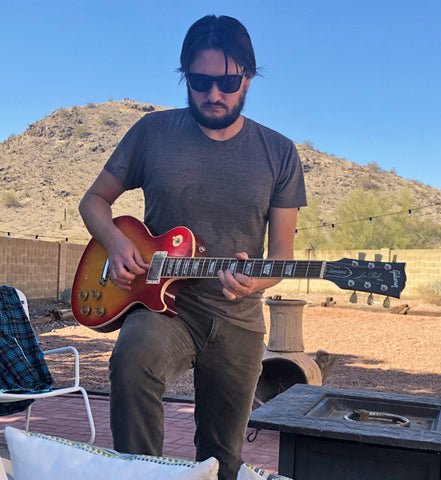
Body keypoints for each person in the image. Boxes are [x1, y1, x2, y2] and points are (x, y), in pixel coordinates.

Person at [79, 14, 307, 480]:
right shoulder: (152, 133)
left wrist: (253, 281)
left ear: (249, 76)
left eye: (228, 81)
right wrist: (118, 243)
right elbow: (94, 201)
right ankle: (140, 473)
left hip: (237, 319)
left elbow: (281, 256)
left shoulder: (280, 153)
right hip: (163, 307)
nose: (214, 94)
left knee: (221, 461)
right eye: (200, 81)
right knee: (132, 359)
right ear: (185, 75)